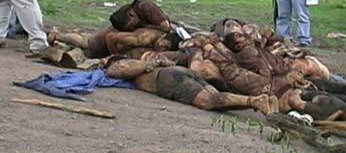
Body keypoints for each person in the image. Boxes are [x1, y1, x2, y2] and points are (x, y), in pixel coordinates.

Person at [105, 53, 279, 115]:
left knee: (208, 102)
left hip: (166, 79)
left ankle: (255, 102)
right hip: (179, 72)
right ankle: (259, 101)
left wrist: (108, 67)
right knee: (215, 101)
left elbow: (118, 69)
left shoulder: (121, 63)